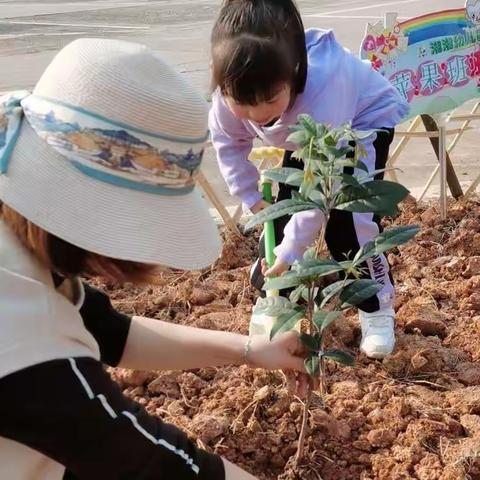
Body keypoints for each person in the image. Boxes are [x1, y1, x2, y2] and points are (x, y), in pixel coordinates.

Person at [0, 38, 309, 480]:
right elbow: (156, 465)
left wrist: (251, 351)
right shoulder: (26, 340)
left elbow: (107, 330)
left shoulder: (20, 249)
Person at [209, 0, 409, 359]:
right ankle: (278, 303)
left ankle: (376, 306)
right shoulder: (229, 94)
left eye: (269, 99)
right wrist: (253, 199)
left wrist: (292, 249)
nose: (257, 114)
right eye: (243, 102)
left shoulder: (325, 87)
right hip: (306, 135)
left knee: (349, 222)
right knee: (280, 215)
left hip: (357, 126)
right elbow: (229, 143)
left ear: (296, 73)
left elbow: (321, 190)